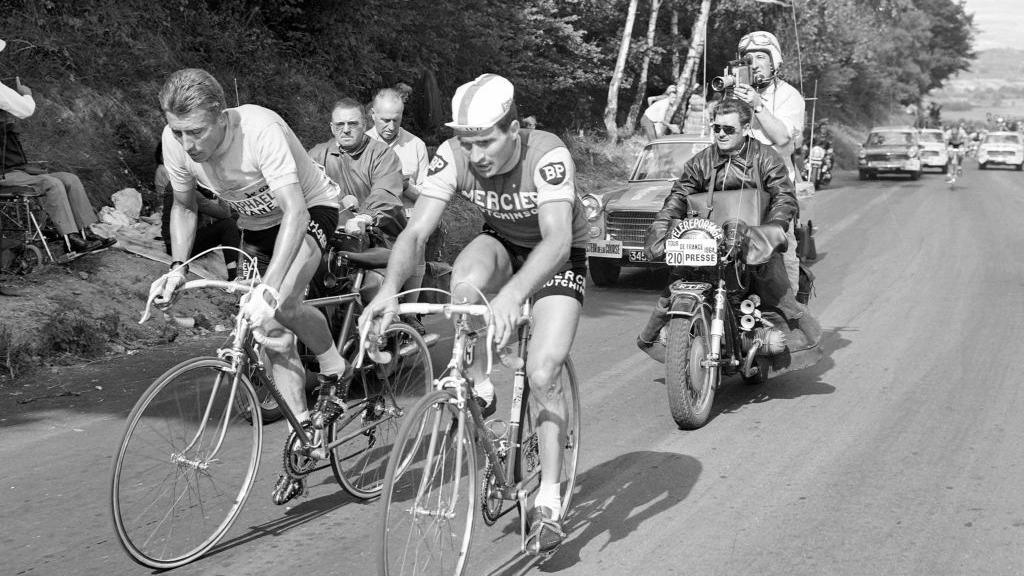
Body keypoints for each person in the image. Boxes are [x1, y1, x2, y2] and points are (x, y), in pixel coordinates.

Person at [361, 73, 589, 554]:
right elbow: (416, 232)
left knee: (543, 370)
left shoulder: (546, 155)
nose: (477, 154)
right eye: (469, 142)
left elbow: (557, 240)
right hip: (505, 241)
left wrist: (511, 297)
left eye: (486, 141)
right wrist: (389, 292)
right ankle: (480, 385)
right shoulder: (456, 153)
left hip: (558, 255)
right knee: (463, 285)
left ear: (514, 129)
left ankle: (549, 499)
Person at [152, 68, 346, 506]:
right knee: (271, 336)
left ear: (222, 117)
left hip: (309, 210)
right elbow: (184, 207)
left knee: (281, 304)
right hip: (255, 224)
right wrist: (177, 266)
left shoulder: (260, 129)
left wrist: (270, 289)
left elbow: (295, 212)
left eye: (196, 131)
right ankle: (304, 432)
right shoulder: (176, 142)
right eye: (177, 131)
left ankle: (334, 366)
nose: (188, 145)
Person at [636, 99, 819, 360]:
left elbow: (784, 197)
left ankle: (791, 335)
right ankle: (660, 334)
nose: (721, 133)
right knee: (676, 282)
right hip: (708, 239)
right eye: (717, 127)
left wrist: (772, 229)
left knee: (776, 286)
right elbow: (677, 196)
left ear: (745, 128)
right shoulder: (701, 161)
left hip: (753, 238)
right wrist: (660, 228)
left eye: (728, 129)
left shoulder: (766, 157)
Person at [0, 39, 114, 255]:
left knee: (70, 179)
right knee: (51, 183)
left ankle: (85, 233)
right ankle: (70, 239)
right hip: (4, 173)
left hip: (13, 168)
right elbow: (25, 109)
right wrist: (27, 93)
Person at [729, 30, 804, 293]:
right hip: (734, 190)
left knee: (782, 257)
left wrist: (758, 106)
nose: (754, 62)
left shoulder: (789, 96)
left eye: (761, 56)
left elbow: (784, 139)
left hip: (775, 192)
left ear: (774, 62)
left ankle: (792, 320)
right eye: (748, 57)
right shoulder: (730, 96)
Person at [155, 142, 241, 279]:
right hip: (179, 247)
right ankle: (233, 276)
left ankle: (236, 264)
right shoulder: (189, 192)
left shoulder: (177, 184)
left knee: (232, 220)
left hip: (173, 242)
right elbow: (224, 214)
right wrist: (221, 191)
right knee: (229, 224)